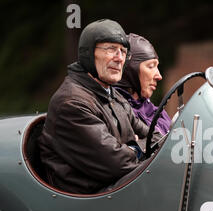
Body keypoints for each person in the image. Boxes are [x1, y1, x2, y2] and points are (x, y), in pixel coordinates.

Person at [38, 19, 150, 194]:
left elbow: (155, 137)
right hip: (93, 201)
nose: (119, 58)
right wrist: (137, 148)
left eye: (123, 51)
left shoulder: (113, 95)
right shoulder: (72, 103)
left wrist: (131, 148)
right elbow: (117, 164)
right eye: (111, 49)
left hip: (120, 190)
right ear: (89, 54)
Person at [115, 33, 171, 150]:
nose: (159, 76)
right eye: (151, 66)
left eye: (157, 67)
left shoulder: (156, 112)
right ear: (130, 69)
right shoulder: (113, 113)